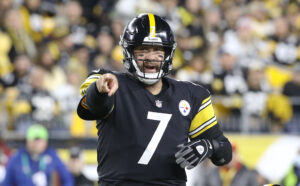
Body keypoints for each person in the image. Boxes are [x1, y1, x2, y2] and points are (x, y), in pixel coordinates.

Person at [77, 13, 232, 186]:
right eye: (142, 50)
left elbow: (224, 153)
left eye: (158, 51)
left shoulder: (191, 95)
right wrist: (99, 89)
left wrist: (208, 146)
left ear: (168, 53)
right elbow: (88, 110)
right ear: (129, 52)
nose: (150, 57)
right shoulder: (108, 80)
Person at [3, 124, 74, 186]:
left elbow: (67, 179)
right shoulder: (17, 158)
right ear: (27, 141)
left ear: (45, 141)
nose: (36, 144)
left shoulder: (52, 155)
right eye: (34, 140)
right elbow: (6, 183)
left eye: (40, 140)